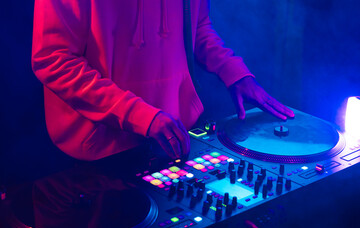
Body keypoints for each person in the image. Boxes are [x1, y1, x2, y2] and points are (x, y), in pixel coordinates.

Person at [32, 0, 294, 162]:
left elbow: (197, 24)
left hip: (175, 136)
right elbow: (54, 59)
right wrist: (140, 116)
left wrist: (232, 71)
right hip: (100, 151)